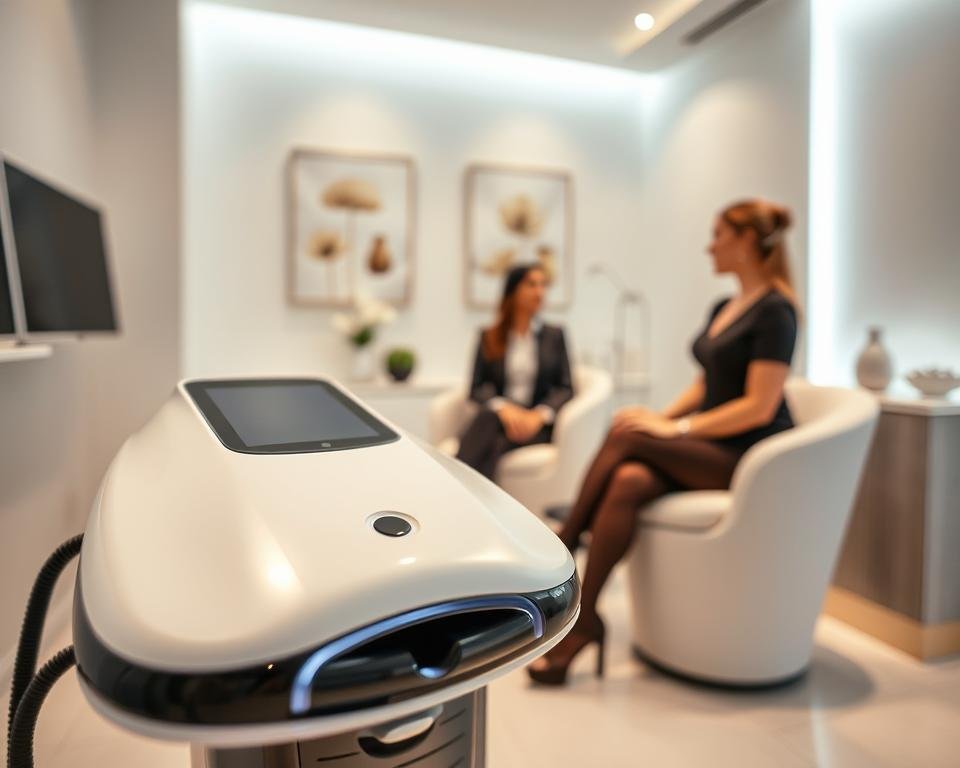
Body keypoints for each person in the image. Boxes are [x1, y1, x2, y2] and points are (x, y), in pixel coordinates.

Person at [528, 199, 799, 686]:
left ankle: (564, 541)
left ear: (745, 242)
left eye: (718, 234)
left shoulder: (777, 311)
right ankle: (584, 621)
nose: (709, 245)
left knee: (625, 434)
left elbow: (759, 406)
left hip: (749, 454)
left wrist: (674, 431)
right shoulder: (725, 306)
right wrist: (661, 416)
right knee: (629, 478)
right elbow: (705, 384)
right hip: (709, 445)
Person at [456, 263, 574, 480]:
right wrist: (504, 409)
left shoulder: (555, 336)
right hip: (500, 420)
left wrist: (539, 415)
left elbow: (566, 388)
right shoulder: (489, 336)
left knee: (489, 436)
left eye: (543, 285)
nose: (540, 292)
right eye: (531, 284)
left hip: (536, 425)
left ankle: (453, 485)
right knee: (491, 426)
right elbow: (476, 387)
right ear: (513, 291)